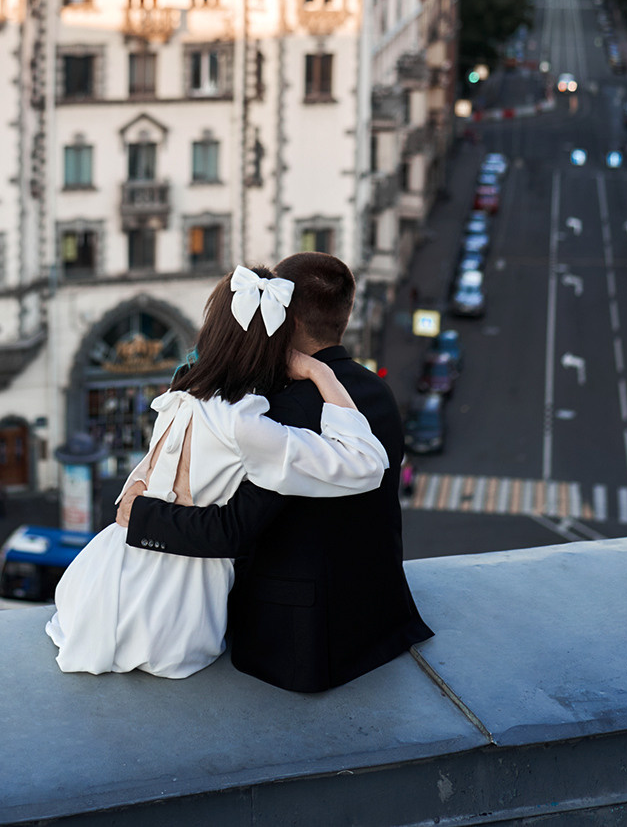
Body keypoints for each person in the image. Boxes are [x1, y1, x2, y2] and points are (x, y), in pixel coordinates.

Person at [46, 264, 389, 679]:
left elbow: (146, 480)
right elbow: (366, 463)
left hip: (101, 578)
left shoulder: (185, 388)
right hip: (170, 604)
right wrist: (320, 372)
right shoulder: (244, 422)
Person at [121, 252, 433, 692]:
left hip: (301, 638)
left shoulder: (277, 410)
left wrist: (140, 516)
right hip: (379, 617)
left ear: (283, 317)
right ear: (343, 317)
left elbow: (234, 528)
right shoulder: (374, 388)